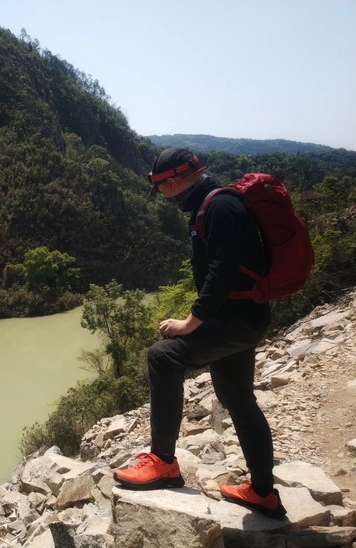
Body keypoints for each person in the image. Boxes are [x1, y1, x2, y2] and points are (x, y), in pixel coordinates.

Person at [113, 148, 286, 520]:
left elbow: (223, 271)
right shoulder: (216, 203)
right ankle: (262, 493)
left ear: (174, 182)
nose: (160, 194)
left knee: (162, 356)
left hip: (234, 320)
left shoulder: (219, 206)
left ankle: (163, 462)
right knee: (237, 398)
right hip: (242, 317)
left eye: (160, 187)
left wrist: (191, 322)